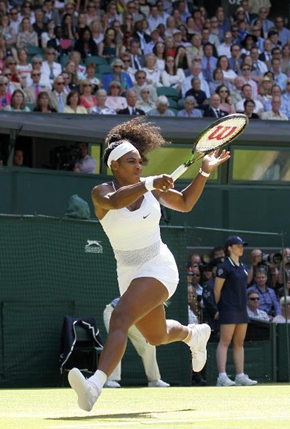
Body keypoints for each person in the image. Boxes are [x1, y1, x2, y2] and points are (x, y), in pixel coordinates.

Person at [68, 117, 230, 411]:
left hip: (158, 266)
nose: (139, 166)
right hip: (127, 272)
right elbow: (116, 202)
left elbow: (184, 203)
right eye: (131, 162)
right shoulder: (101, 192)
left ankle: (93, 386)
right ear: (114, 166)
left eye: (140, 162)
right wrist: (149, 183)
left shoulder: (151, 187)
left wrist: (203, 173)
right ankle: (194, 334)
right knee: (156, 336)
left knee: (120, 319)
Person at [214, 235, 258, 387]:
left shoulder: (244, 268)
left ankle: (240, 375)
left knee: (239, 343)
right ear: (229, 248)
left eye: (242, 245)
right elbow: (217, 291)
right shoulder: (224, 267)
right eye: (238, 245)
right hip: (228, 308)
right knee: (225, 342)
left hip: (241, 309)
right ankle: (222, 376)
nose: (241, 248)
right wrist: (221, 307)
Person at [102, 297, 170, 388]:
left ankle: (154, 380)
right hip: (114, 313)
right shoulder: (145, 293)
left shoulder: (155, 302)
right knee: (117, 343)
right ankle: (111, 379)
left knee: (148, 345)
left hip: (133, 318)